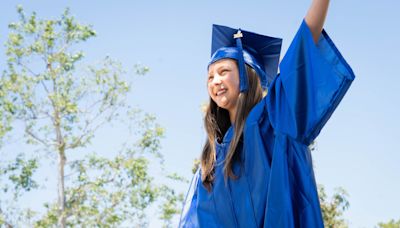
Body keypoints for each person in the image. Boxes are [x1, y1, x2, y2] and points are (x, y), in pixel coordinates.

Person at [179, 0, 355, 227]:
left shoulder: (273, 117)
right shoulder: (211, 162)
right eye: (210, 76)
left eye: (224, 71)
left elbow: (303, 49)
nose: (215, 81)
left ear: (247, 75)